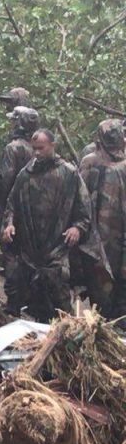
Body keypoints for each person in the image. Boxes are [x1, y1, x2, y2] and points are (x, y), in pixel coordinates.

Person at [2, 128, 106, 320]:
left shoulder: (69, 173)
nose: (36, 153)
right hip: (29, 249)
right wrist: (9, 224)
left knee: (58, 298)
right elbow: (11, 205)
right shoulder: (26, 173)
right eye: (34, 149)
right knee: (25, 296)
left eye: (41, 148)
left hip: (57, 248)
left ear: (53, 146)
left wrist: (77, 227)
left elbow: (84, 210)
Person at [79, 119, 126, 317]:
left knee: (103, 277)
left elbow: (79, 198)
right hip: (100, 234)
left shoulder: (91, 161)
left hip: (100, 235)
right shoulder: (91, 162)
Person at [0, 106, 39, 271]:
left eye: (13, 121)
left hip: (10, 203)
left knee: (6, 239)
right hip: (33, 203)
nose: (10, 124)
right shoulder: (38, 147)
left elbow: (6, 180)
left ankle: (13, 275)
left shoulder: (14, 147)